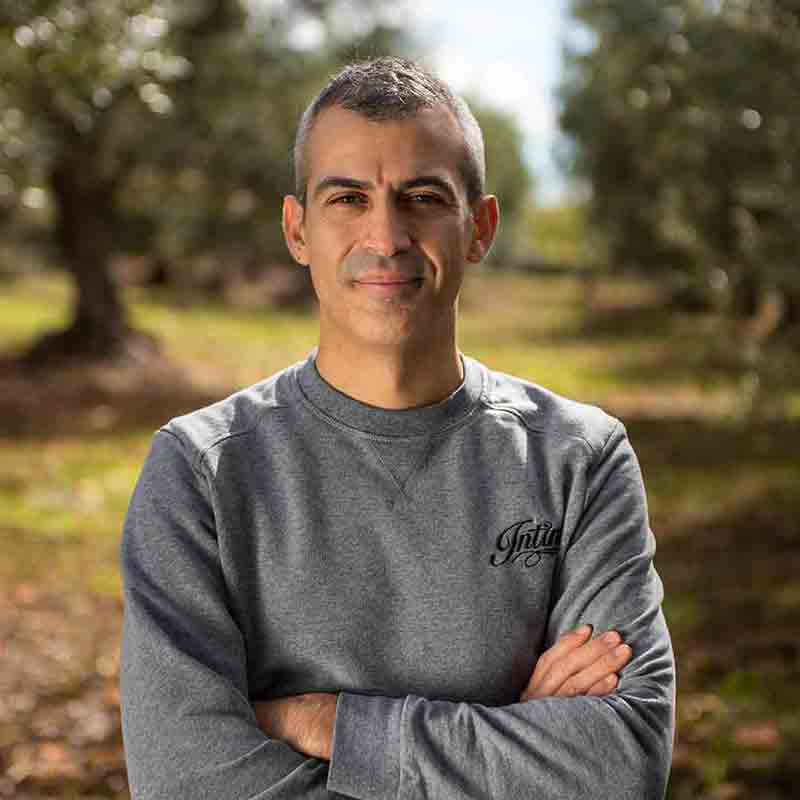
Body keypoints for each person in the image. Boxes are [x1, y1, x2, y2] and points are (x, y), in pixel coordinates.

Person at [119, 57, 675, 799]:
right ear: (297, 230)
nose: (385, 236)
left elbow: (619, 765)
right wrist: (515, 735)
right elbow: (184, 780)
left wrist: (331, 725)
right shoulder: (200, 472)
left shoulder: (581, 459)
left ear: (478, 229)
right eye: (348, 197)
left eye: (421, 197)